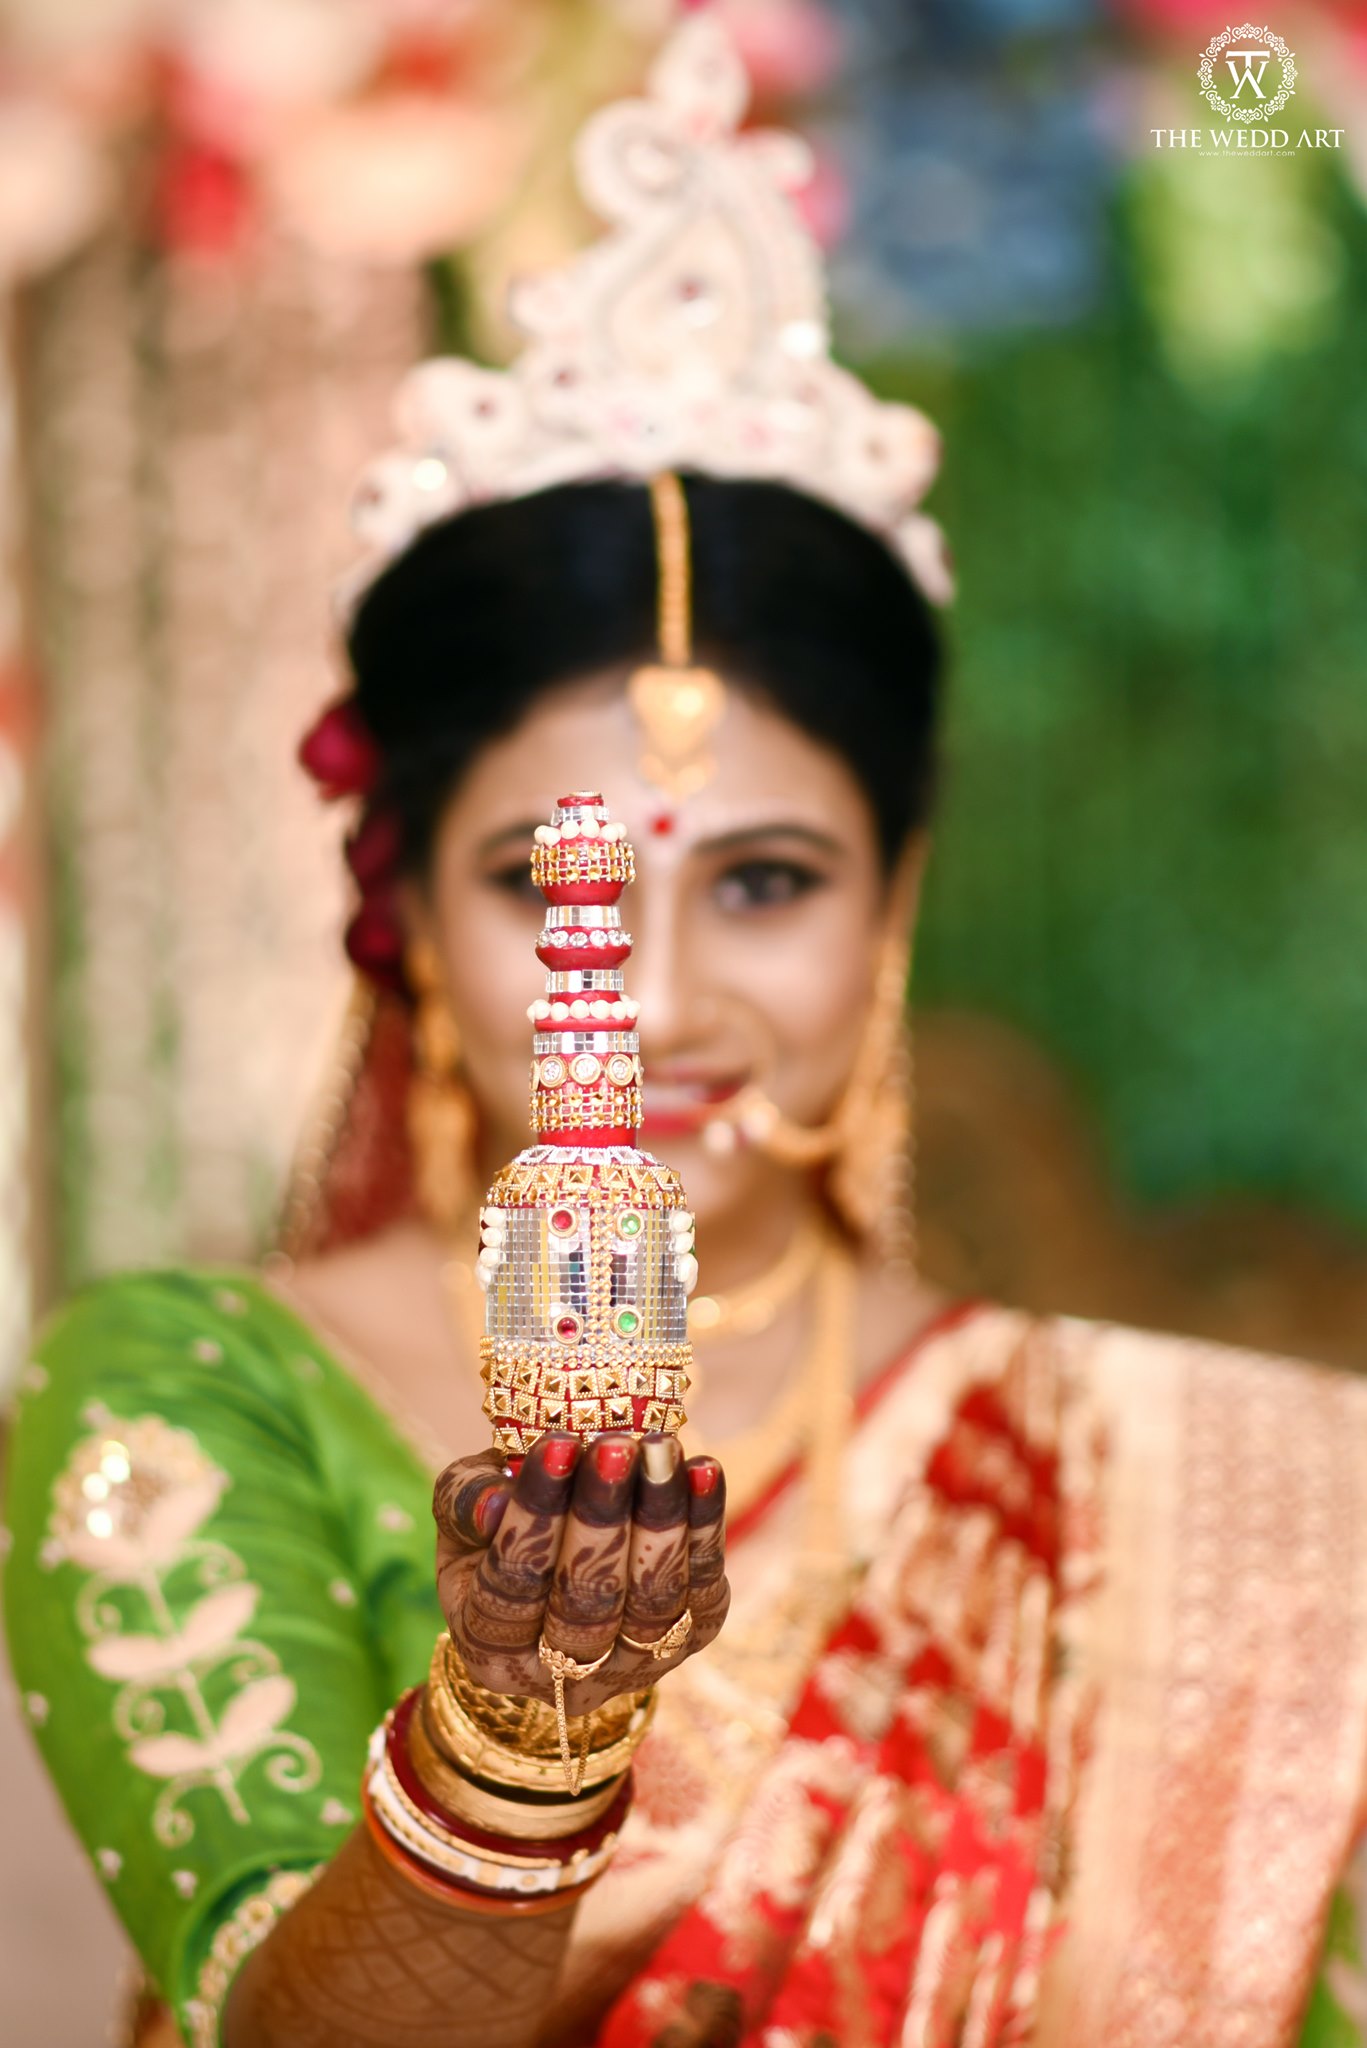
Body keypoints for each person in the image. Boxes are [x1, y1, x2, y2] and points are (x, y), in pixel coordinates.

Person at [6, 19, 1367, 2048]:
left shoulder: (1221, 1488)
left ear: (893, 898)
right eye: (556, 891)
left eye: (765, 879)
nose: (651, 990)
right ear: (394, 912)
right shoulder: (204, 1388)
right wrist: (514, 1752)